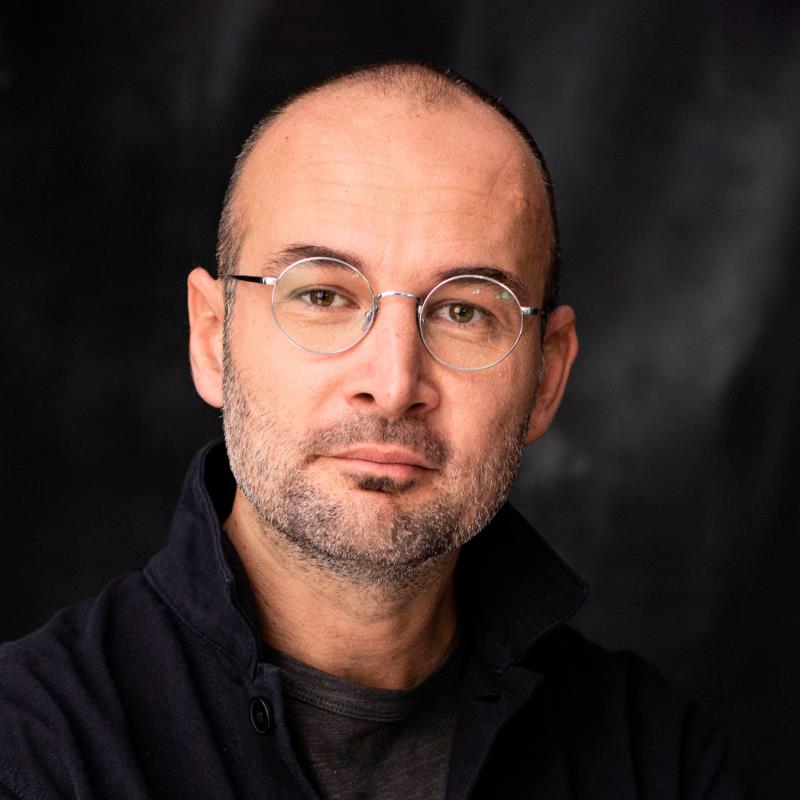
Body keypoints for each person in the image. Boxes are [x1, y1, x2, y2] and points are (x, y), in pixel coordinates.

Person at [0, 62, 745, 799]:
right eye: (323, 295)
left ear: (546, 377)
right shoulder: (29, 750)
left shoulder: (656, 760)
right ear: (211, 339)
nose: (393, 384)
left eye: (463, 311)